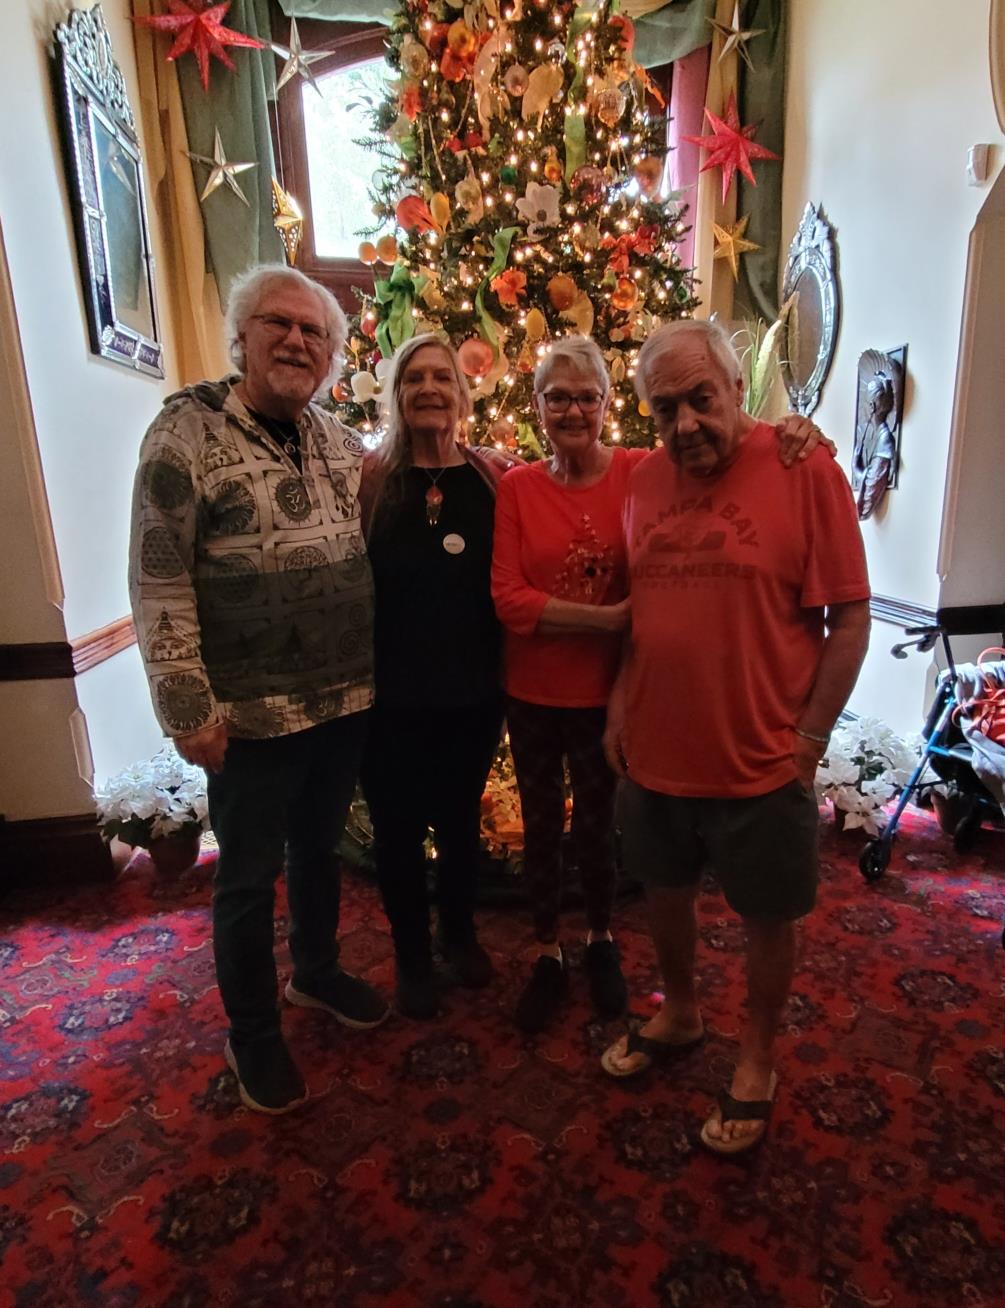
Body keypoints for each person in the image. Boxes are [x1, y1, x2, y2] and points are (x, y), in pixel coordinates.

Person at [492, 335, 834, 1035]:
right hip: (548, 695)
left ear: (606, 405)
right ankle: (553, 953)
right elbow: (508, 597)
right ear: (536, 405)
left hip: (619, 697)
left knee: (601, 834)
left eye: (586, 397)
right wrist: (613, 621)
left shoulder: (637, 469)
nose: (572, 411)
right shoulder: (521, 485)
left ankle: (603, 944)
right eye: (556, 398)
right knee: (550, 831)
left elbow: (735, 448)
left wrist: (799, 428)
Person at [601, 319, 871, 1155]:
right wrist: (618, 706)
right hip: (655, 753)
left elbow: (849, 618)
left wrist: (809, 740)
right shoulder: (642, 479)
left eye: (700, 399)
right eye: (664, 408)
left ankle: (756, 1056)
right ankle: (680, 1013)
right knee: (662, 890)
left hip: (762, 758)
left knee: (767, 915)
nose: (685, 424)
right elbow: (641, 614)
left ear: (733, 387)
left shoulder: (803, 467)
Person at [129, 264, 389, 1116]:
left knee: (317, 852)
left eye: (315, 332)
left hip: (342, 700)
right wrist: (186, 706)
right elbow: (159, 578)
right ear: (241, 336)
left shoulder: (340, 443)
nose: (297, 341)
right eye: (279, 323)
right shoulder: (184, 432)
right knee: (245, 880)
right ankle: (252, 1036)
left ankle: (314, 972)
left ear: (331, 356)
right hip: (245, 717)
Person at [358, 334, 519, 1019]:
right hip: (385, 701)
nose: (428, 388)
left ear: (462, 393)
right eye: (413, 377)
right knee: (396, 833)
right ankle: (412, 958)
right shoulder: (368, 482)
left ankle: (458, 935)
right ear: (396, 394)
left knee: (458, 825)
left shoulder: (495, 479)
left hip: (471, 697)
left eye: (442, 377)